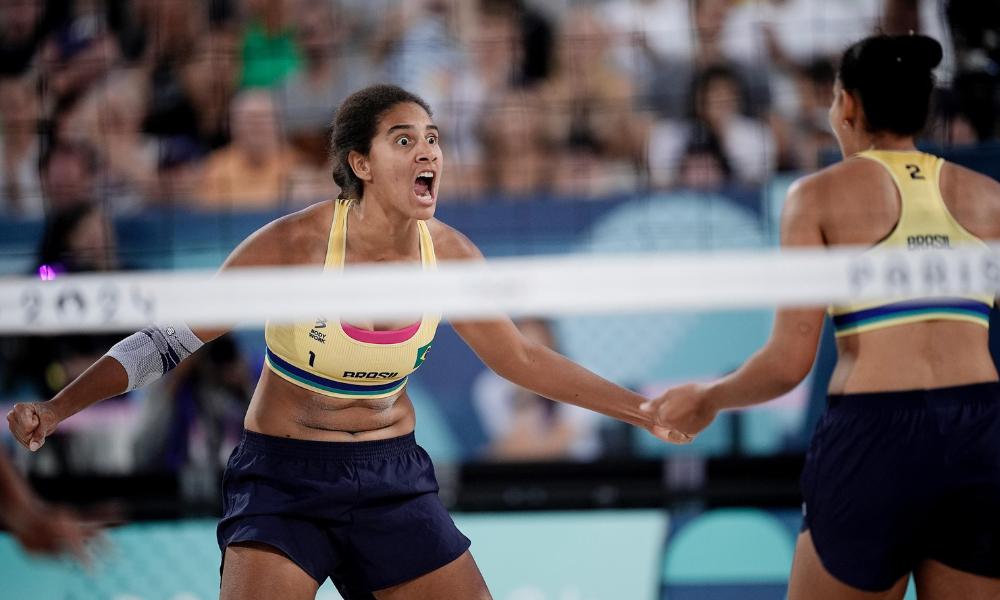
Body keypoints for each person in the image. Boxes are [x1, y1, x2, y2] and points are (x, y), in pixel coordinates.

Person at [8, 84, 663, 600]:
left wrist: (641, 409)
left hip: (393, 477)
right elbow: (167, 341)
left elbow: (521, 360)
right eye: (405, 140)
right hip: (285, 481)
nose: (429, 152)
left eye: (433, 138)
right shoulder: (294, 246)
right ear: (361, 163)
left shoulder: (453, 257)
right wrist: (58, 408)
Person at [643, 35, 1000, 600]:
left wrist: (709, 398)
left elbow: (789, 364)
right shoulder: (989, 198)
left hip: (876, 434)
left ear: (848, 106)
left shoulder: (817, 197)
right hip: (981, 432)